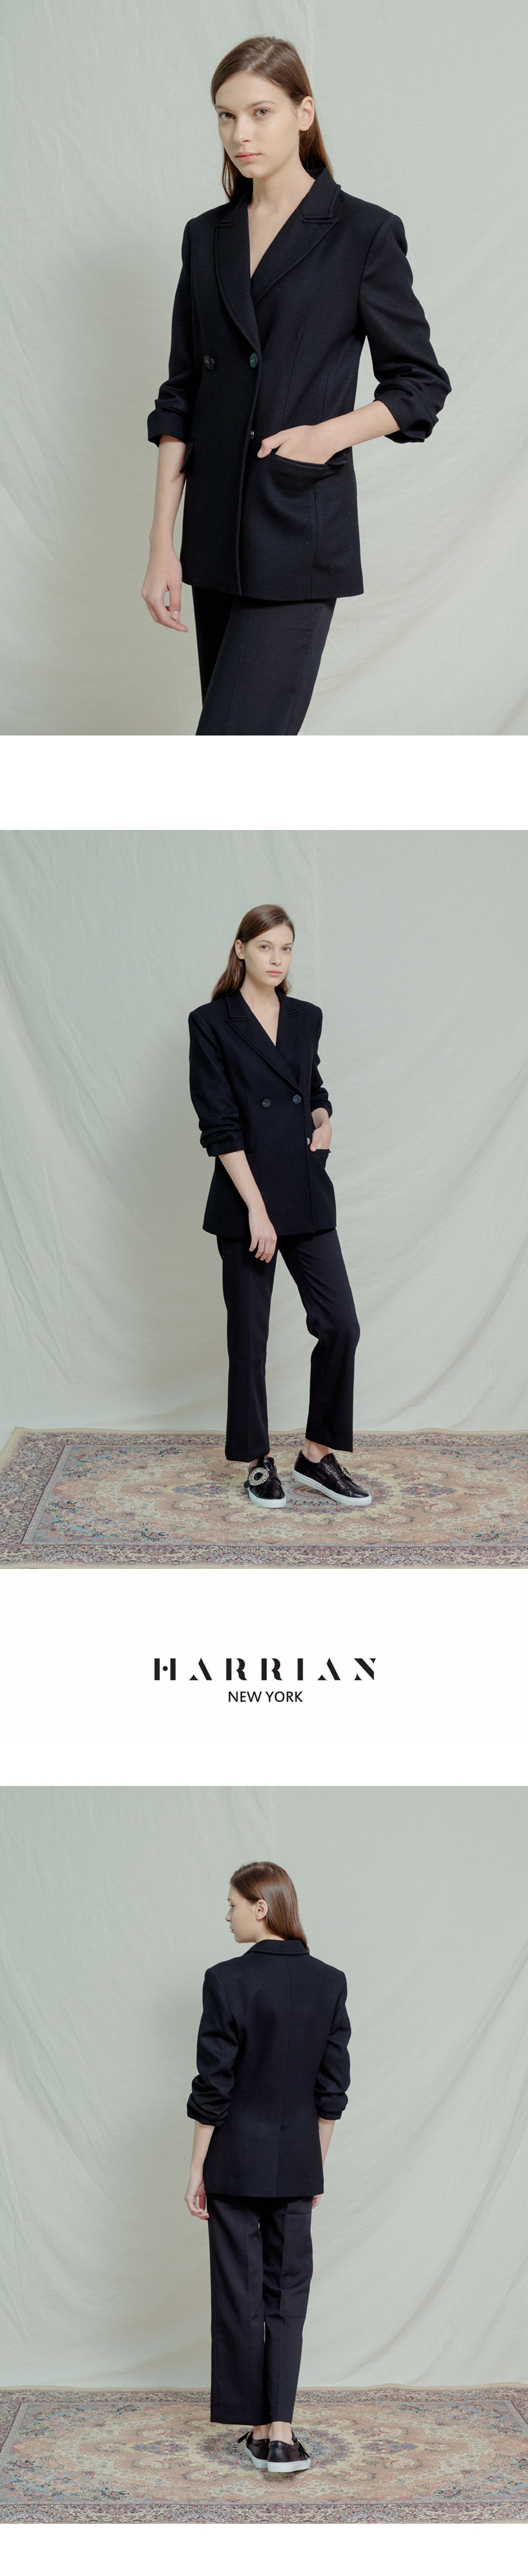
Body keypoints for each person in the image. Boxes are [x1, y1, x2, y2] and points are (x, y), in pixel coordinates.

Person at [143, 33, 451, 735]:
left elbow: (420, 385)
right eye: (226, 117)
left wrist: (326, 436)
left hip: (295, 529)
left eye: (261, 113)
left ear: (304, 113)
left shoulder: (363, 233)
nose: (241, 135)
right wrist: (163, 543)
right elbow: (181, 394)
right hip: (214, 535)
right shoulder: (206, 237)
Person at [188, 902, 371, 1510]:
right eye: (266, 947)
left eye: (286, 949)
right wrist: (256, 1211)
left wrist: (323, 1120)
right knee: (250, 1337)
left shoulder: (305, 1017)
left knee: (341, 1324)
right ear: (241, 949)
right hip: (246, 1197)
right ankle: (257, 1461)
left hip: (304, 1188)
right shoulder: (211, 1023)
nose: (277, 959)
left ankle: (316, 1455)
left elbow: (313, 1088)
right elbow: (218, 1125)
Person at [185, 1862, 351, 2474]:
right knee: (288, 2294)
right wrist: (314, 2168)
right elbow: (332, 2092)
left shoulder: (226, 1980)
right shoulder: (329, 1982)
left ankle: (256, 2425)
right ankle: (280, 2431)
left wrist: (197, 2168)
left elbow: (214, 2086)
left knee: (239, 2293)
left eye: (231, 1904)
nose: (226, 1915)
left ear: (261, 1907)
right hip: (298, 2165)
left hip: (234, 2161)